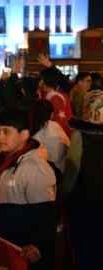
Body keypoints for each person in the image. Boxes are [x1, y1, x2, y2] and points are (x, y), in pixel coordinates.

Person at [0, 109, 57, 270]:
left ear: (24, 135)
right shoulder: (3, 160)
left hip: (22, 252)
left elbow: (47, 212)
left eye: (6, 132)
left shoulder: (35, 167)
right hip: (3, 244)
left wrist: (37, 245)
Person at [62, 90, 103, 270]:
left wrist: (63, 196)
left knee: (86, 248)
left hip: (86, 201)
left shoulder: (80, 136)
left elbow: (72, 173)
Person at [31, 100, 70, 173]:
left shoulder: (32, 131)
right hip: (58, 169)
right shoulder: (54, 126)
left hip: (55, 172)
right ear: (51, 114)